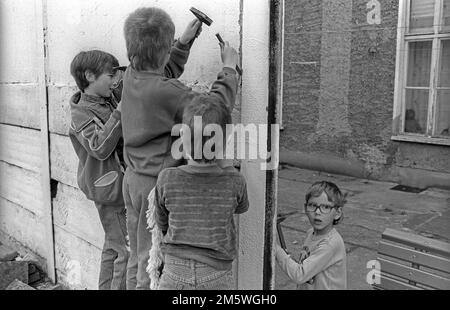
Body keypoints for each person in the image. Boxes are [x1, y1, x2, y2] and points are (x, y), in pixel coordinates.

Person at [121, 7, 240, 289]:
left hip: (133, 180)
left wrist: (183, 43)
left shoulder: (130, 75)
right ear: (163, 53)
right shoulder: (169, 91)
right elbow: (211, 110)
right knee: (152, 264)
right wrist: (229, 69)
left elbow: (160, 71)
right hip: (154, 190)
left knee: (137, 255)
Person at [154, 95, 249, 290]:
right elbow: (240, 208)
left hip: (174, 270)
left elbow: (161, 221)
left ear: (183, 137)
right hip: (216, 273)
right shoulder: (235, 181)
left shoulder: (166, 178)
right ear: (225, 141)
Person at [68, 50, 128, 290]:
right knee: (127, 250)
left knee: (114, 248)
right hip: (109, 192)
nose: (115, 81)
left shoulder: (108, 97)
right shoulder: (81, 113)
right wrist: (121, 111)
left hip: (119, 188)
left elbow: (152, 71)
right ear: (90, 76)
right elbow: (99, 147)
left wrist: (182, 44)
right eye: (109, 76)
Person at [275, 181, 347, 290]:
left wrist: (275, 249)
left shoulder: (330, 244)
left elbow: (300, 275)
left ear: (337, 213)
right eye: (313, 205)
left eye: (326, 207)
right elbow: (307, 266)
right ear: (305, 208)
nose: (318, 212)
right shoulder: (310, 233)